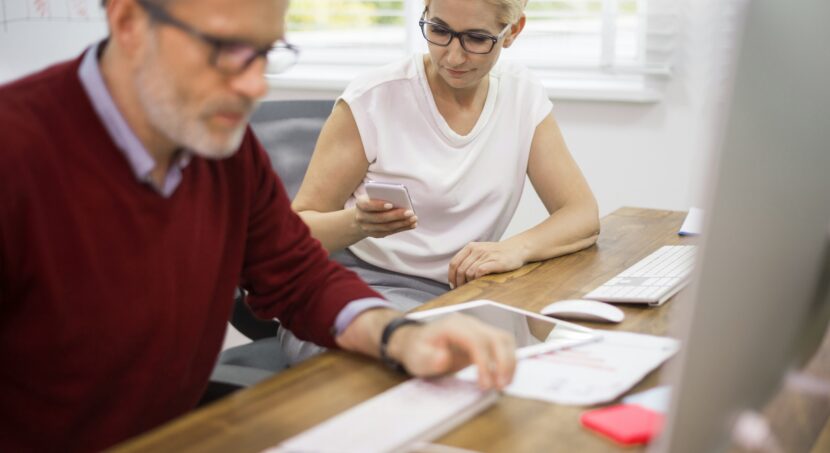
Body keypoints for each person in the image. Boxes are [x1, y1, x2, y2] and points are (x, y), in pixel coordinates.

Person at [0, 0, 518, 450]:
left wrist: (399, 336)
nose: (254, 84)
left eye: (265, 53)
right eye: (226, 49)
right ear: (130, 22)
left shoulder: (222, 148)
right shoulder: (19, 152)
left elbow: (298, 277)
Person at [293, 0, 600, 311]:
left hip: (463, 293)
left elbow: (581, 213)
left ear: (512, 31)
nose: (453, 56)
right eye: (439, 30)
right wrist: (359, 223)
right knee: (419, 352)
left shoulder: (521, 94)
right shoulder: (373, 98)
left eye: (477, 38)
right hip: (357, 283)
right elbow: (294, 233)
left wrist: (514, 249)